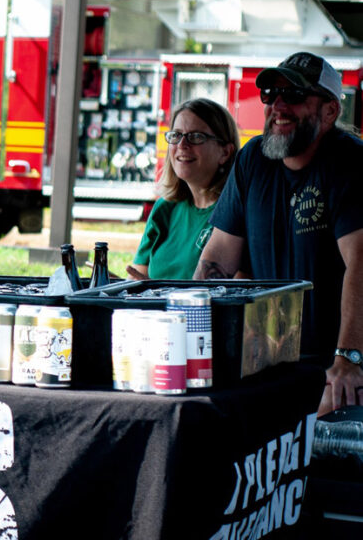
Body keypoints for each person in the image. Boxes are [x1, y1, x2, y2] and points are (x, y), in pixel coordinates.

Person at [194, 52, 363, 415]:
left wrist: (350, 359)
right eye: (271, 93)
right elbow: (217, 258)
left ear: (330, 112)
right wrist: (193, 340)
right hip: (267, 362)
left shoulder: (350, 162)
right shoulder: (252, 158)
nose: (278, 106)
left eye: (295, 96)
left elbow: (361, 263)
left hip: (334, 368)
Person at [127, 98, 238, 280]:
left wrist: (158, 294)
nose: (182, 145)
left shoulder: (236, 212)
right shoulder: (165, 208)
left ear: (225, 152)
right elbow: (136, 281)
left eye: (195, 137)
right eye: (176, 135)